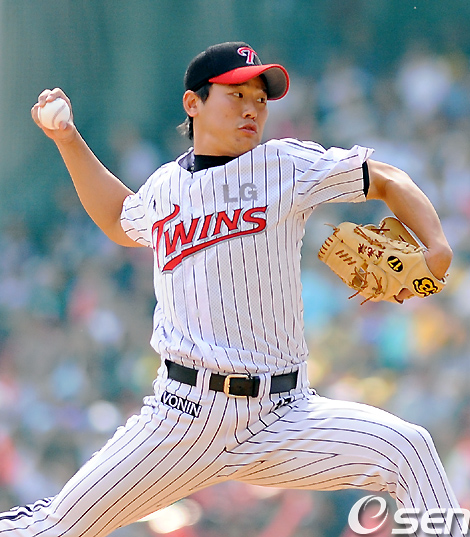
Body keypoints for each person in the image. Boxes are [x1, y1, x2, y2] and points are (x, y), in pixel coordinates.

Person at [0, 41, 460, 537]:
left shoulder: (284, 165)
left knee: (410, 450)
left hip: (283, 415)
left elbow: (385, 177)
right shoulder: (164, 188)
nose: (252, 109)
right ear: (193, 103)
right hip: (181, 418)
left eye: (260, 99)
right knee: (53, 527)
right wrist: (67, 138)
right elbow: (117, 218)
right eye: (236, 95)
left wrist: (437, 246)